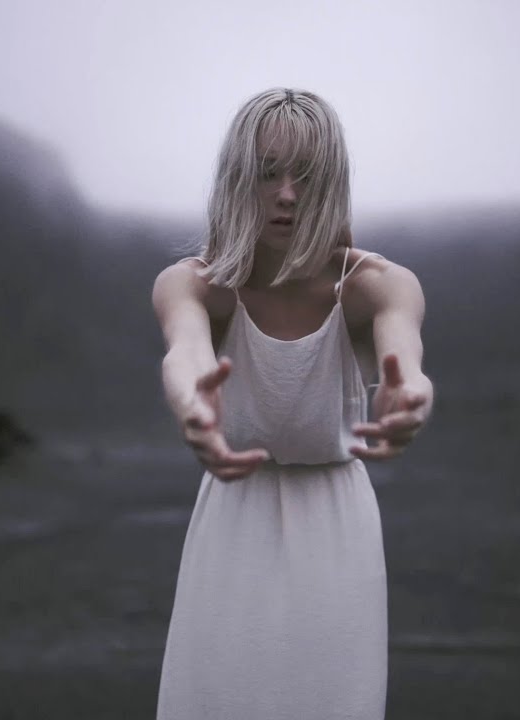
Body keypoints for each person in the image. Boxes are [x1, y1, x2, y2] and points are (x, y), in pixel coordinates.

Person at [151, 87, 433, 719]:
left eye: (305, 175)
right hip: (232, 521)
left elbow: (405, 355)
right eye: (267, 172)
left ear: (332, 182)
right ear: (236, 178)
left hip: (336, 530)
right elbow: (185, 349)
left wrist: (409, 394)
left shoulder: (378, 285)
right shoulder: (194, 283)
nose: (286, 194)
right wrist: (190, 400)